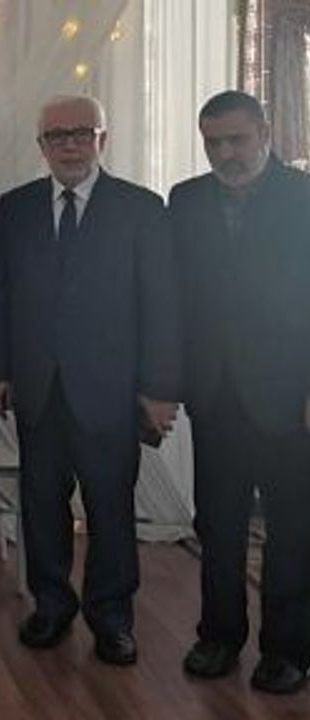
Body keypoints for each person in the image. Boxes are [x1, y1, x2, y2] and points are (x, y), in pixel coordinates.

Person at [0, 95, 180, 665]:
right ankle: (51, 606)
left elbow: (161, 304)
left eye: (81, 133)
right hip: (38, 388)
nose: (70, 144)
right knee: (42, 505)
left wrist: (160, 386)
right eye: (57, 136)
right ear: (41, 146)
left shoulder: (141, 208)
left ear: (102, 139)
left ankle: (112, 620)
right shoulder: (15, 208)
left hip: (110, 391)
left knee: (110, 509)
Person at [171, 90, 310, 694]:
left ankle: (288, 649)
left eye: (237, 139)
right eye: (213, 142)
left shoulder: (304, 198)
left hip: (292, 396)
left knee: (293, 529)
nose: (225, 153)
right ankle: (219, 635)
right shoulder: (186, 200)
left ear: (265, 133)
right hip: (215, 394)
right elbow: (175, 300)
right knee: (218, 524)